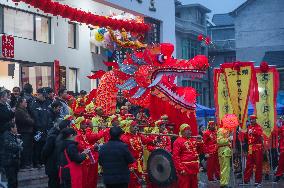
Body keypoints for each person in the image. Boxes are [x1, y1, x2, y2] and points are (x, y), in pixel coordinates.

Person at [42, 119, 72, 188]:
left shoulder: (64, 136)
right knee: (54, 183)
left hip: (60, 165)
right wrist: (45, 161)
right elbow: (45, 151)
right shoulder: (52, 137)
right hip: (53, 166)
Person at [172, 124, 203, 188]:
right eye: (187, 130)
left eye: (190, 130)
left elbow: (199, 152)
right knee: (185, 185)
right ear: (182, 131)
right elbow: (176, 156)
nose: (189, 132)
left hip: (194, 168)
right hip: (185, 169)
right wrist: (181, 169)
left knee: (194, 185)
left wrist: (200, 142)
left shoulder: (192, 141)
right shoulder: (177, 141)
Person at [31, 88, 51, 167]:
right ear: (38, 94)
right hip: (37, 130)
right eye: (43, 96)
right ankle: (36, 162)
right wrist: (39, 127)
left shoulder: (46, 103)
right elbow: (35, 117)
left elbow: (48, 115)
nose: (44, 97)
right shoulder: (34, 103)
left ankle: (42, 161)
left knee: (44, 145)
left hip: (45, 129)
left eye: (45, 96)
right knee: (37, 146)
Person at [243, 115, 263, 186]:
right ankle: (246, 179)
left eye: (253, 119)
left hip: (257, 147)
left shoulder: (259, 127)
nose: (252, 121)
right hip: (251, 147)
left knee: (258, 164)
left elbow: (260, 134)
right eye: (251, 119)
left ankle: (258, 181)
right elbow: (245, 137)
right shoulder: (249, 127)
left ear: (255, 120)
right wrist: (241, 132)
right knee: (249, 163)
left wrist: (253, 131)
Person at [1, 122, 23, 188]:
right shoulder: (6, 135)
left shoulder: (14, 135)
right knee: (12, 181)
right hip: (9, 162)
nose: (17, 129)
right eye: (15, 127)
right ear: (11, 128)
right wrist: (19, 146)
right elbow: (10, 146)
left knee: (15, 181)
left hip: (14, 162)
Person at [15, 97, 35, 168]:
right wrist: (32, 121)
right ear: (20, 103)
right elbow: (28, 121)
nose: (26, 103)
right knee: (25, 148)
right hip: (24, 132)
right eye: (25, 102)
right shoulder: (19, 111)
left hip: (27, 131)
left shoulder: (24, 110)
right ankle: (24, 164)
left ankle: (27, 163)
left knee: (28, 148)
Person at [0, 89, 15, 172]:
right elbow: (4, 117)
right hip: (2, 131)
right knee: (2, 150)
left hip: (7, 130)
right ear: (1, 98)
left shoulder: (5, 105)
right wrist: (11, 112)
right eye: (6, 97)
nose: (7, 98)